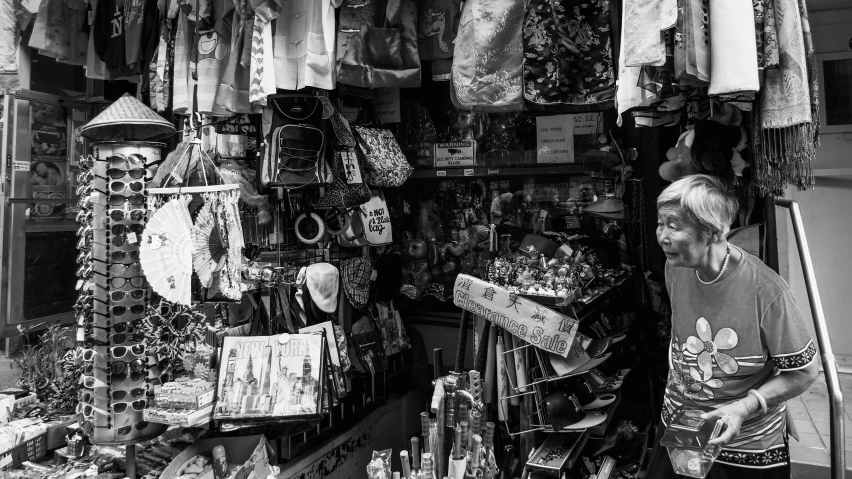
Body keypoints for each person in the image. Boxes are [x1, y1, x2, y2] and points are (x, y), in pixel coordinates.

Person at [650, 174, 818, 478]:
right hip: (681, 423)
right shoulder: (677, 266)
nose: (662, 236)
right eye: (661, 223)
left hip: (745, 442)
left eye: (673, 226)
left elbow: (804, 373)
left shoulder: (767, 291)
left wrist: (745, 407)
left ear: (713, 232)